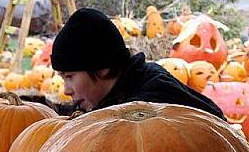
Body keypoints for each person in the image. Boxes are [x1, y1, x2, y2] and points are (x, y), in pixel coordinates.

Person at [51, 8, 225, 118]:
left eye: (69, 77)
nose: (66, 90)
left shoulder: (151, 101)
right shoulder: (121, 90)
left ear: (102, 68)